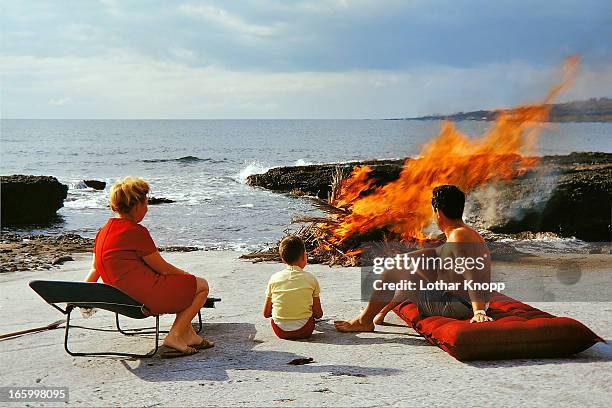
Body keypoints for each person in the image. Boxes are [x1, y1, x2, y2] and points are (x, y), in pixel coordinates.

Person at [335, 184, 493, 332]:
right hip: (460, 301)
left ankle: (365, 320)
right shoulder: (462, 233)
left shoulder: (460, 235)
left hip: (459, 306)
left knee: (399, 272)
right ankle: (377, 314)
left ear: (437, 212)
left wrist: (478, 310)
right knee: (402, 267)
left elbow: (472, 272)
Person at [84, 176, 212, 358]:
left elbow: (95, 270)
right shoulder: (136, 232)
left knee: (181, 284)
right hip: (143, 300)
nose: (147, 208)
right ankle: (175, 336)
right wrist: (187, 275)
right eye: (146, 203)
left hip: (123, 300)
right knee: (201, 286)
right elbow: (163, 268)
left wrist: (82, 296)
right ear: (136, 206)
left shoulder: (102, 232)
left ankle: (188, 334)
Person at [263, 235, 323, 339]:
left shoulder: (274, 278)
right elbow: (318, 314)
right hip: (304, 330)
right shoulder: (311, 279)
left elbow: (266, 313)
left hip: (280, 331)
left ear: (282, 259)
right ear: (305, 256)